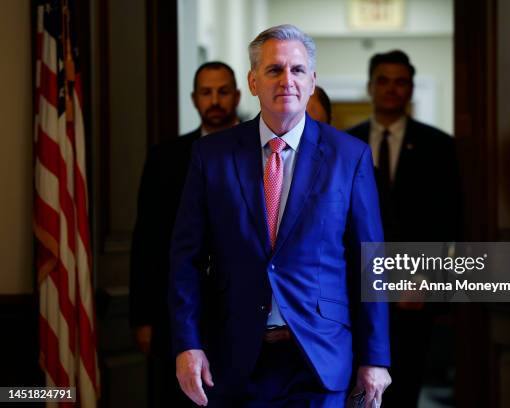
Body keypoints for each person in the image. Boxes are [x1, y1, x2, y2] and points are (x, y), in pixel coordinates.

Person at [169, 24, 391, 407]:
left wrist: (375, 358)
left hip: (319, 358)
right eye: (274, 70)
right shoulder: (212, 156)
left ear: (312, 81)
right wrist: (187, 343)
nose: (287, 80)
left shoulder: (349, 156)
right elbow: (184, 258)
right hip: (235, 355)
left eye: (298, 70)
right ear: (254, 82)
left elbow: (370, 261)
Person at [347, 50, 462, 407]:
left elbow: (449, 218)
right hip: (356, 286)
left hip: (415, 288)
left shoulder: (439, 146)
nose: (391, 89)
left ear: (411, 89)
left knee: (406, 383)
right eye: (383, 80)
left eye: (400, 82)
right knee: (357, 386)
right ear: (370, 86)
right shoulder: (346, 143)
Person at [129, 61, 241, 407]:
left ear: (236, 95)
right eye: (207, 93)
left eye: (223, 92)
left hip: (240, 313)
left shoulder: (260, 151)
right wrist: (143, 317)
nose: (215, 101)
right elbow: (147, 240)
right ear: (194, 99)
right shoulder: (165, 158)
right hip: (177, 312)